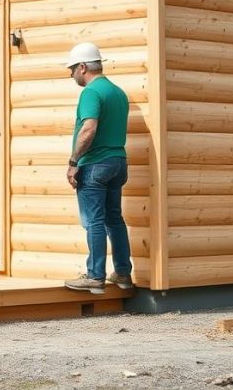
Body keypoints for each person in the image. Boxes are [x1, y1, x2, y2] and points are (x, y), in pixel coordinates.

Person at [63, 42, 134, 294]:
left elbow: (89, 129)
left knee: (94, 221)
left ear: (83, 67)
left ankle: (95, 278)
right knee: (114, 218)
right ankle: (123, 274)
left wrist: (73, 162)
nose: (71, 75)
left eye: (72, 70)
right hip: (117, 163)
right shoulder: (118, 92)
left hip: (94, 165)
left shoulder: (91, 93)